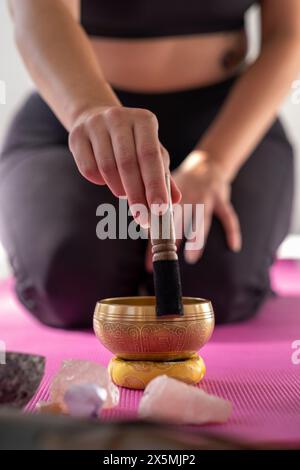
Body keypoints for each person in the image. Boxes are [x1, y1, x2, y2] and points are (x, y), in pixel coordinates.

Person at [0, 0, 298, 328]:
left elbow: (288, 34)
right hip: (76, 111)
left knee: (216, 290)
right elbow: (37, 13)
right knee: (70, 284)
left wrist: (214, 163)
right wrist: (88, 110)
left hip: (229, 118)